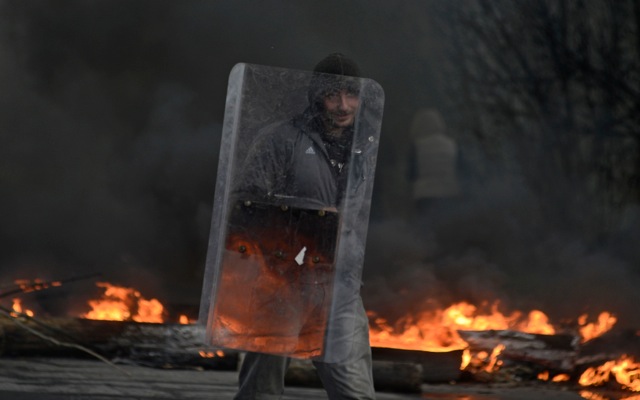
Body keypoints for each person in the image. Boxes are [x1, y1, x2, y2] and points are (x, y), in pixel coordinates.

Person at [232, 53, 377, 400]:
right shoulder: (281, 140)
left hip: (339, 285)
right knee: (260, 392)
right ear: (316, 96)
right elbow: (244, 208)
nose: (343, 105)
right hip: (282, 283)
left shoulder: (365, 147)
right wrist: (308, 218)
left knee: (356, 394)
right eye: (333, 95)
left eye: (351, 94)